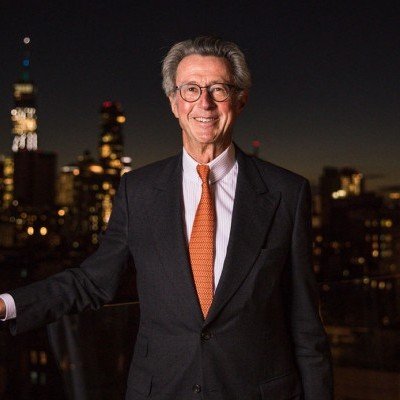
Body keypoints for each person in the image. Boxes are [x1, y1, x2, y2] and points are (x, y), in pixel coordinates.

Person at [0, 36, 333, 400]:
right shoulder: (138, 191)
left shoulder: (286, 192)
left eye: (218, 89)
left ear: (240, 99)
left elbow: (305, 323)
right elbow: (93, 282)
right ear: (174, 103)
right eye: (190, 89)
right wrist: (7, 305)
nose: (204, 103)